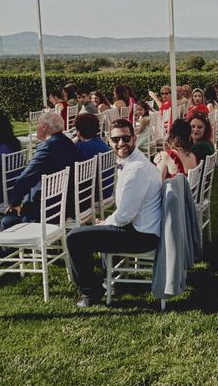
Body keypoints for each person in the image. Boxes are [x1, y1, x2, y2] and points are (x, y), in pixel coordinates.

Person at [66, 119, 162, 307]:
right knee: (98, 231)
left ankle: (91, 292)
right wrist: (108, 223)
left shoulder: (137, 170)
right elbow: (125, 213)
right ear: (109, 140)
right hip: (139, 227)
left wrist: (105, 224)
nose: (121, 143)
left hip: (142, 236)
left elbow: (125, 216)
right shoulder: (133, 162)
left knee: (74, 238)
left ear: (134, 138)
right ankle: (112, 280)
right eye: (116, 139)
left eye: (125, 138)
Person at [1, 112, 79, 230]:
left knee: (7, 220)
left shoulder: (47, 147)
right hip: (67, 202)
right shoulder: (68, 143)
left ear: (45, 127)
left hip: (48, 207)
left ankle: (21, 246)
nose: (36, 127)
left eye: (38, 124)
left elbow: (26, 178)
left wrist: (15, 202)